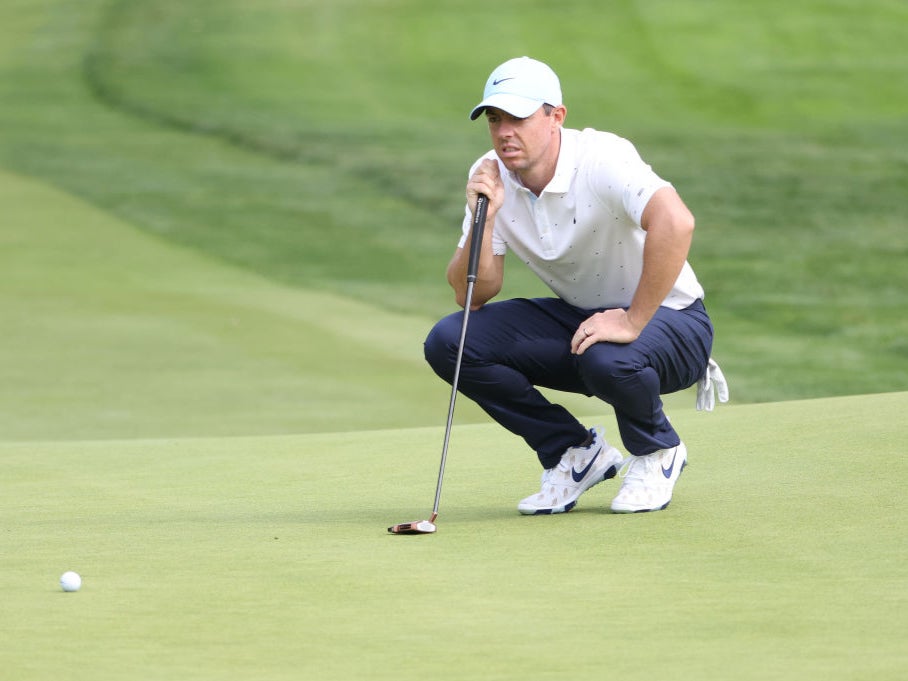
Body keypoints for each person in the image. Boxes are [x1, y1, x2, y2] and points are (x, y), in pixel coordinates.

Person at [424, 56, 727, 516]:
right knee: (451, 340)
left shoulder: (601, 157)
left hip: (675, 323)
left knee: (608, 354)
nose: (505, 131)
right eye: (494, 119)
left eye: (518, 118)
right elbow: (472, 293)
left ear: (556, 116)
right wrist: (485, 219)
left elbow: (676, 221)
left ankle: (658, 451)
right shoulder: (490, 176)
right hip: (586, 321)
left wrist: (632, 319)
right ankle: (574, 452)